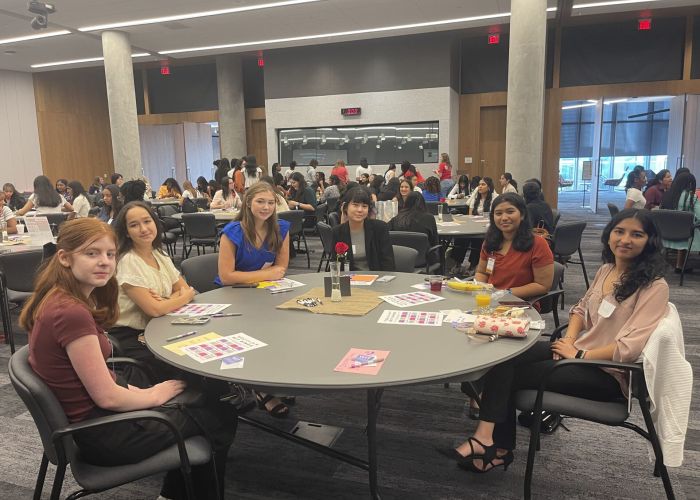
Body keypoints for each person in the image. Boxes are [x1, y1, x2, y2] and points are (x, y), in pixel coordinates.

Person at [22, 218, 235, 499]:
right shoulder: (71, 314)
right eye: (91, 253)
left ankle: (174, 494)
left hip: (90, 422)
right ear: (64, 257)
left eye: (110, 254)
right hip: (104, 435)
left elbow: (96, 382)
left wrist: (144, 392)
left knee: (197, 398)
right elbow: (107, 398)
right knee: (220, 415)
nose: (105, 262)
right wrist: (154, 396)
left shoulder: (57, 299)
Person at [445, 208, 668, 473]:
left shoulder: (654, 287)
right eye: (619, 232)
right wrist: (571, 341)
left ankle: (491, 444)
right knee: (503, 354)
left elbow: (630, 348)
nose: (625, 239)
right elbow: (580, 310)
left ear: (650, 241)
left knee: (507, 374)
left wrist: (580, 355)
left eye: (637, 234)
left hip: (609, 374)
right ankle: (490, 443)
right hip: (579, 354)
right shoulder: (607, 270)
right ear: (609, 235)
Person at [216, 182, 293, 418]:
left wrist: (264, 277)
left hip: (266, 291)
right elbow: (227, 276)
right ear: (248, 203)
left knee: (280, 333)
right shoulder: (232, 232)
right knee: (251, 338)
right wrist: (266, 275)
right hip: (233, 296)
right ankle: (262, 391)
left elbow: (282, 268)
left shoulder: (281, 228)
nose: (266, 207)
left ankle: (272, 382)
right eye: (260, 201)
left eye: (271, 202)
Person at [110, 201, 197, 380]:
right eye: (134, 225)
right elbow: (155, 310)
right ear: (126, 232)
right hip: (131, 335)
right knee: (187, 361)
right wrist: (183, 297)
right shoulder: (129, 261)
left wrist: (165, 301)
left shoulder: (159, 253)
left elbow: (182, 288)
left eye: (147, 221)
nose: (143, 229)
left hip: (160, 325)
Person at [331, 187, 395, 271]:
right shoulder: (338, 232)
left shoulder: (380, 228)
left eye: (364, 206)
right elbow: (336, 265)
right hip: (349, 281)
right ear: (345, 207)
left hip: (376, 280)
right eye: (355, 205)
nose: (360, 210)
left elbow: (388, 263)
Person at [660, 171, 700, 272]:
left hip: (665, 233)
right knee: (690, 227)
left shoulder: (667, 194)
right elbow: (699, 216)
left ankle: (677, 265)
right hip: (685, 234)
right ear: (690, 184)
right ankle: (680, 265)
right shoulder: (690, 197)